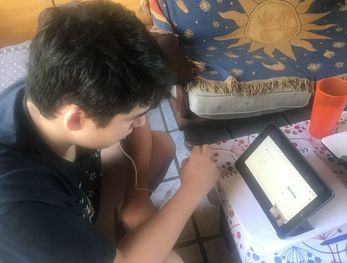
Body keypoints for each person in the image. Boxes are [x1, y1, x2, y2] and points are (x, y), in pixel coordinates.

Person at [0, 1, 220, 262]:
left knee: (159, 148)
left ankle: (98, 237)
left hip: (73, 203)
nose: (139, 123)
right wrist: (192, 190)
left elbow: (132, 114)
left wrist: (137, 196)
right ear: (76, 119)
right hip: (47, 235)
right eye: (131, 118)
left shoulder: (52, 85)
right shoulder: (23, 214)